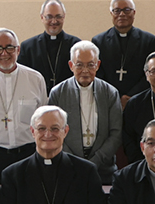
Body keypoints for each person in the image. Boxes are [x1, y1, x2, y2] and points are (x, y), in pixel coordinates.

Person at [0, 28, 48, 175]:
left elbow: (42, 119)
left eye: (9, 47)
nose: (4, 53)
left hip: (28, 153)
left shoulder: (35, 79)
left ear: (18, 50)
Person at [47, 40, 123, 184]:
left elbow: (116, 134)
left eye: (90, 65)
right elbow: (54, 133)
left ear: (98, 65)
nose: (85, 70)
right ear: (71, 65)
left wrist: (95, 161)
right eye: (79, 65)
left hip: (103, 169)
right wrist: (75, 162)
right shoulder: (58, 93)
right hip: (67, 167)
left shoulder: (110, 93)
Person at [91, 0, 155, 105]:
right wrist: (115, 96)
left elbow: (150, 72)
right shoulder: (99, 41)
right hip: (108, 99)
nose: (122, 14)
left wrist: (131, 97)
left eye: (127, 10)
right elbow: (98, 73)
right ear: (111, 14)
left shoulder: (148, 40)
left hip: (139, 99)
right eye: (117, 10)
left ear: (134, 13)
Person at [18, 0, 80, 93]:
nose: (54, 21)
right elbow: (22, 79)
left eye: (58, 16)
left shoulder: (76, 45)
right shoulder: (28, 47)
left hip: (68, 97)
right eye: (49, 17)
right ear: (42, 17)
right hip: (38, 97)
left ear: (64, 17)